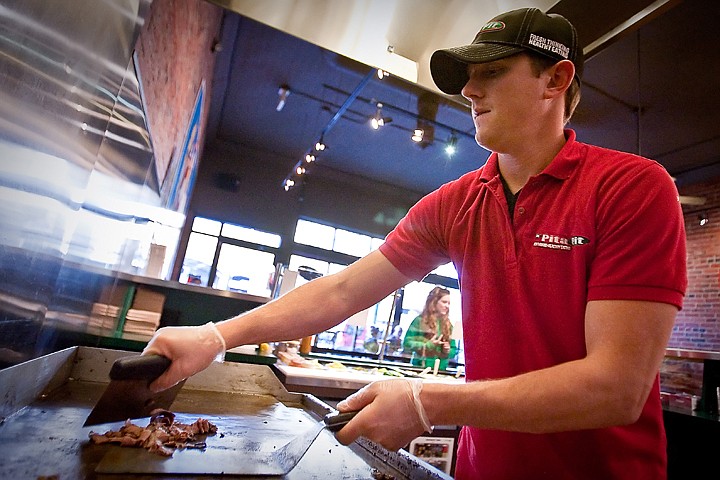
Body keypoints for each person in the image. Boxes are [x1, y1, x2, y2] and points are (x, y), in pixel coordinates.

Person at [142, 7, 687, 479]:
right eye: (469, 76)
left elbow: (616, 387)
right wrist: (214, 336)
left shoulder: (631, 188)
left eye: (492, 72)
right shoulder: (456, 203)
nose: (470, 91)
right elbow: (341, 292)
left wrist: (427, 402)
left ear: (556, 79)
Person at [402, 286, 458, 370]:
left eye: (449, 303)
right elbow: (406, 343)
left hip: (441, 371)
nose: (447, 306)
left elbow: (455, 350)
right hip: (420, 369)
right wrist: (428, 345)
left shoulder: (449, 325)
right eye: (444, 302)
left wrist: (448, 350)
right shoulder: (419, 321)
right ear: (434, 302)